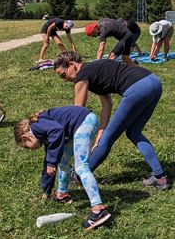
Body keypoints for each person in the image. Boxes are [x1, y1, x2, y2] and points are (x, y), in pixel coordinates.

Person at [53, 51, 169, 189]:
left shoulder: (82, 75)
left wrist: (66, 139)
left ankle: (78, 176)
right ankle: (160, 177)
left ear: (72, 65)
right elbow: (107, 104)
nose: (65, 80)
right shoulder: (94, 69)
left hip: (137, 88)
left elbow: (77, 113)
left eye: (64, 75)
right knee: (133, 131)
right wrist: (101, 130)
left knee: (107, 139)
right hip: (153, 81)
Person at [14, 106, 111, 231]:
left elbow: (57, 130)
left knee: (81, 167)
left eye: (27, 147)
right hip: (80, 124)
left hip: (84, 122)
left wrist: (51, 161)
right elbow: (49, 163)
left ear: (25, 137)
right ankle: (62, 194)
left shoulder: (37, 127)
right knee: (62, 160)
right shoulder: (42, 133)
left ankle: (98, 209)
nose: (30, 150)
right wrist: (47, 191)